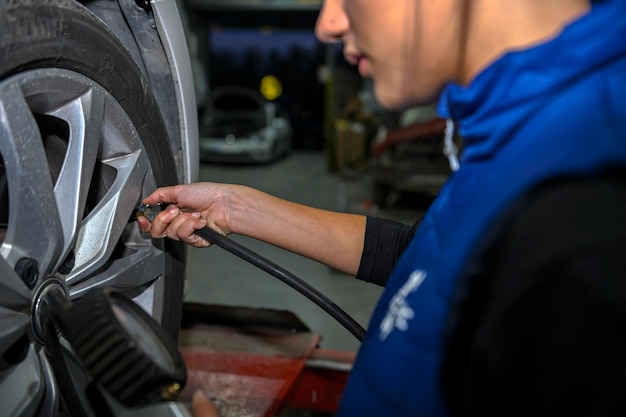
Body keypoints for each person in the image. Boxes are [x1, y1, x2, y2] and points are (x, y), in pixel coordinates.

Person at [139, 0, 626, 415]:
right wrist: (233, 204)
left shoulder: (585, 224)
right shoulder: (527, 136)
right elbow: (419, 258)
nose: (327, 23)